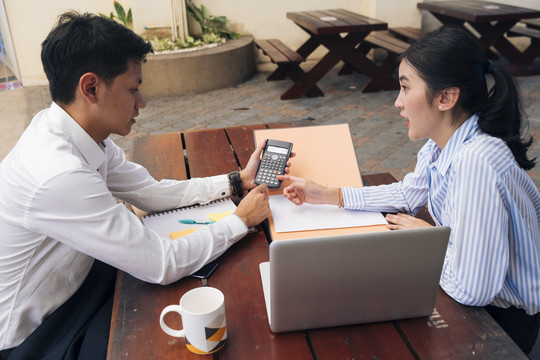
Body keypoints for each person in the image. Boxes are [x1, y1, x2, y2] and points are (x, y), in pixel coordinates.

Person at [0, 12, 290, 359]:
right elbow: (160, 264)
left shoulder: (73, 132)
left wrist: (234, 181)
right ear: (90, 87)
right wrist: (240, 221)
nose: (142, 102)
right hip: (40, 334)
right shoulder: (59, 174)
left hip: (82, 281)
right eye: (133, 88)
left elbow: (150, 193)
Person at [278, 25, 540, 356]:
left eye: (405, 88)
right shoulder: (441, 145)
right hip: (481, 306)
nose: (397, 103)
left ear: (446, 97)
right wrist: (330, 194)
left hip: (505, 325)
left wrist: (430, 240)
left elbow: (473, 290)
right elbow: (407, 196)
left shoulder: (477, 162)